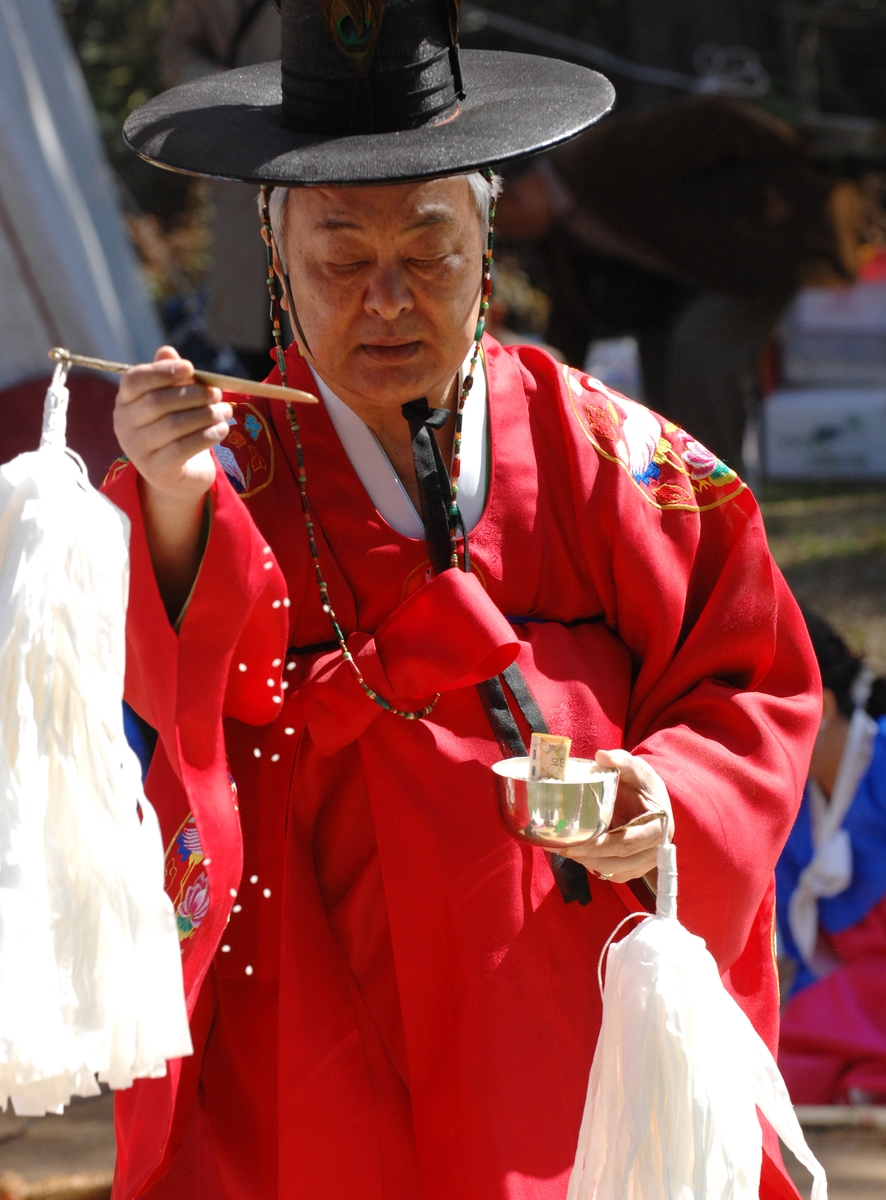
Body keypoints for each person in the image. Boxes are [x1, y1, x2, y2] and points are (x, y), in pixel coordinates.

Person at [107, 2, 819, 1196]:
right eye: (340, 258)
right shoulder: (221, 466)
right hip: (316, 995)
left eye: (427, 253)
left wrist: (666, 799)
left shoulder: (607, 449)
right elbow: (166, 709)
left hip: (561, 993)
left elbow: (755, 680)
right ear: (278, 265)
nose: (384, 299)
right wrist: (173, 509)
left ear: (487, 251)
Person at [494, 96, 863, 471]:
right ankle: (680, 489)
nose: (507, 231)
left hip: (759, 250)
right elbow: (572, 315)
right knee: (662, 378)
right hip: (689, 290)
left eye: (503, 218)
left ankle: (721, 490)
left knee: (702, 348)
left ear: (520, 194)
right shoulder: (560, 236)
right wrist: (551, 381)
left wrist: (794, 155)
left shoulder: (605, 155)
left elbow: (716, 118)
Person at [777, 609, 886, 1105]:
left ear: (820, 708)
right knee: (780, 1057)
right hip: (844, 993)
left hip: (868, 994)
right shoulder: (789, 805)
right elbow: (808, 958)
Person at [159, 0, 281, 380]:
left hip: (343, 159)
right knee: (258, 352)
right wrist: (218, 84)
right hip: (245, 173)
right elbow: (178, 51)